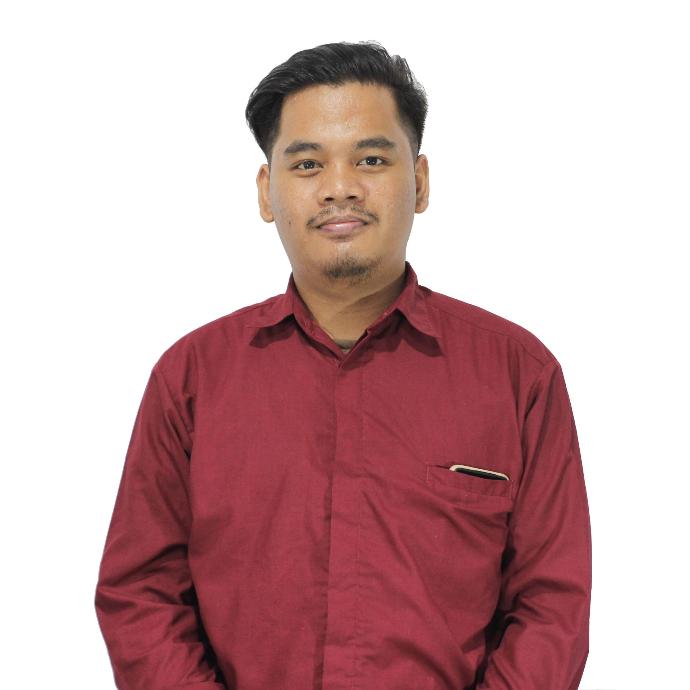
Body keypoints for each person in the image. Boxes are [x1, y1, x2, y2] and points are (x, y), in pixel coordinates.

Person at [94, 40, 592, 690]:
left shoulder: (519, 375)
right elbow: (140, 594)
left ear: (420, 181)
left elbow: (552, 604)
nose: (340, 188)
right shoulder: (190, 379)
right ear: (267, 192)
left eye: (371, 159)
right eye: (307, 164)